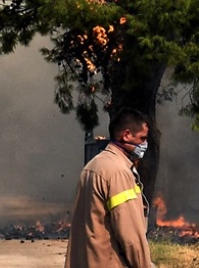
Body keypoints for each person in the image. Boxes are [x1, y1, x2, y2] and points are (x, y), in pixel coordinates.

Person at [65, 108, 154, 268]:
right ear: (126, 135)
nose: (144, 145)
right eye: (142, 138)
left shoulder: (93, 166)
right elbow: (131, 237)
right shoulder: (118, 172)